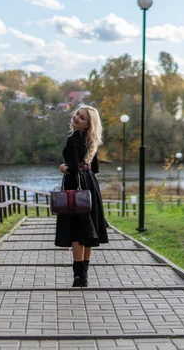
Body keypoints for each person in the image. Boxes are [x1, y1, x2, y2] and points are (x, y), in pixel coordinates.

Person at [54, 105, 109, 287]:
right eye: (77, 114)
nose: (77, 118)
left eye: (82, 118)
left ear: (87, 125)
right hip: (90, 187)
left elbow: (74, 167)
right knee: (88, 230)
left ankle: (78, 277)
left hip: (75, 185)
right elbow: (95, 169)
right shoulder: (91, 140)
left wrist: (64, 168)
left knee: (77, 231)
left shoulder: (73, 139)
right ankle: (84, 274)